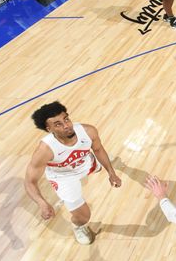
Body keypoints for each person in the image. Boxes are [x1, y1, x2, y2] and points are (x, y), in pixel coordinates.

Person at [24, 101, 122, 244]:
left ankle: (99, 166)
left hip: (86, 163)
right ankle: (79, 226)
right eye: (58, 124)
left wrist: (111, 173)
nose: (66, 125)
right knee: (84, 216)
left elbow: (98, 149)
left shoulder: (88, 131)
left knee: (101, 160)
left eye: (66, 119)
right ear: (48, 128)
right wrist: (42, 203)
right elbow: (29, 181)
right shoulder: (45, 150)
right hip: (63, 177)